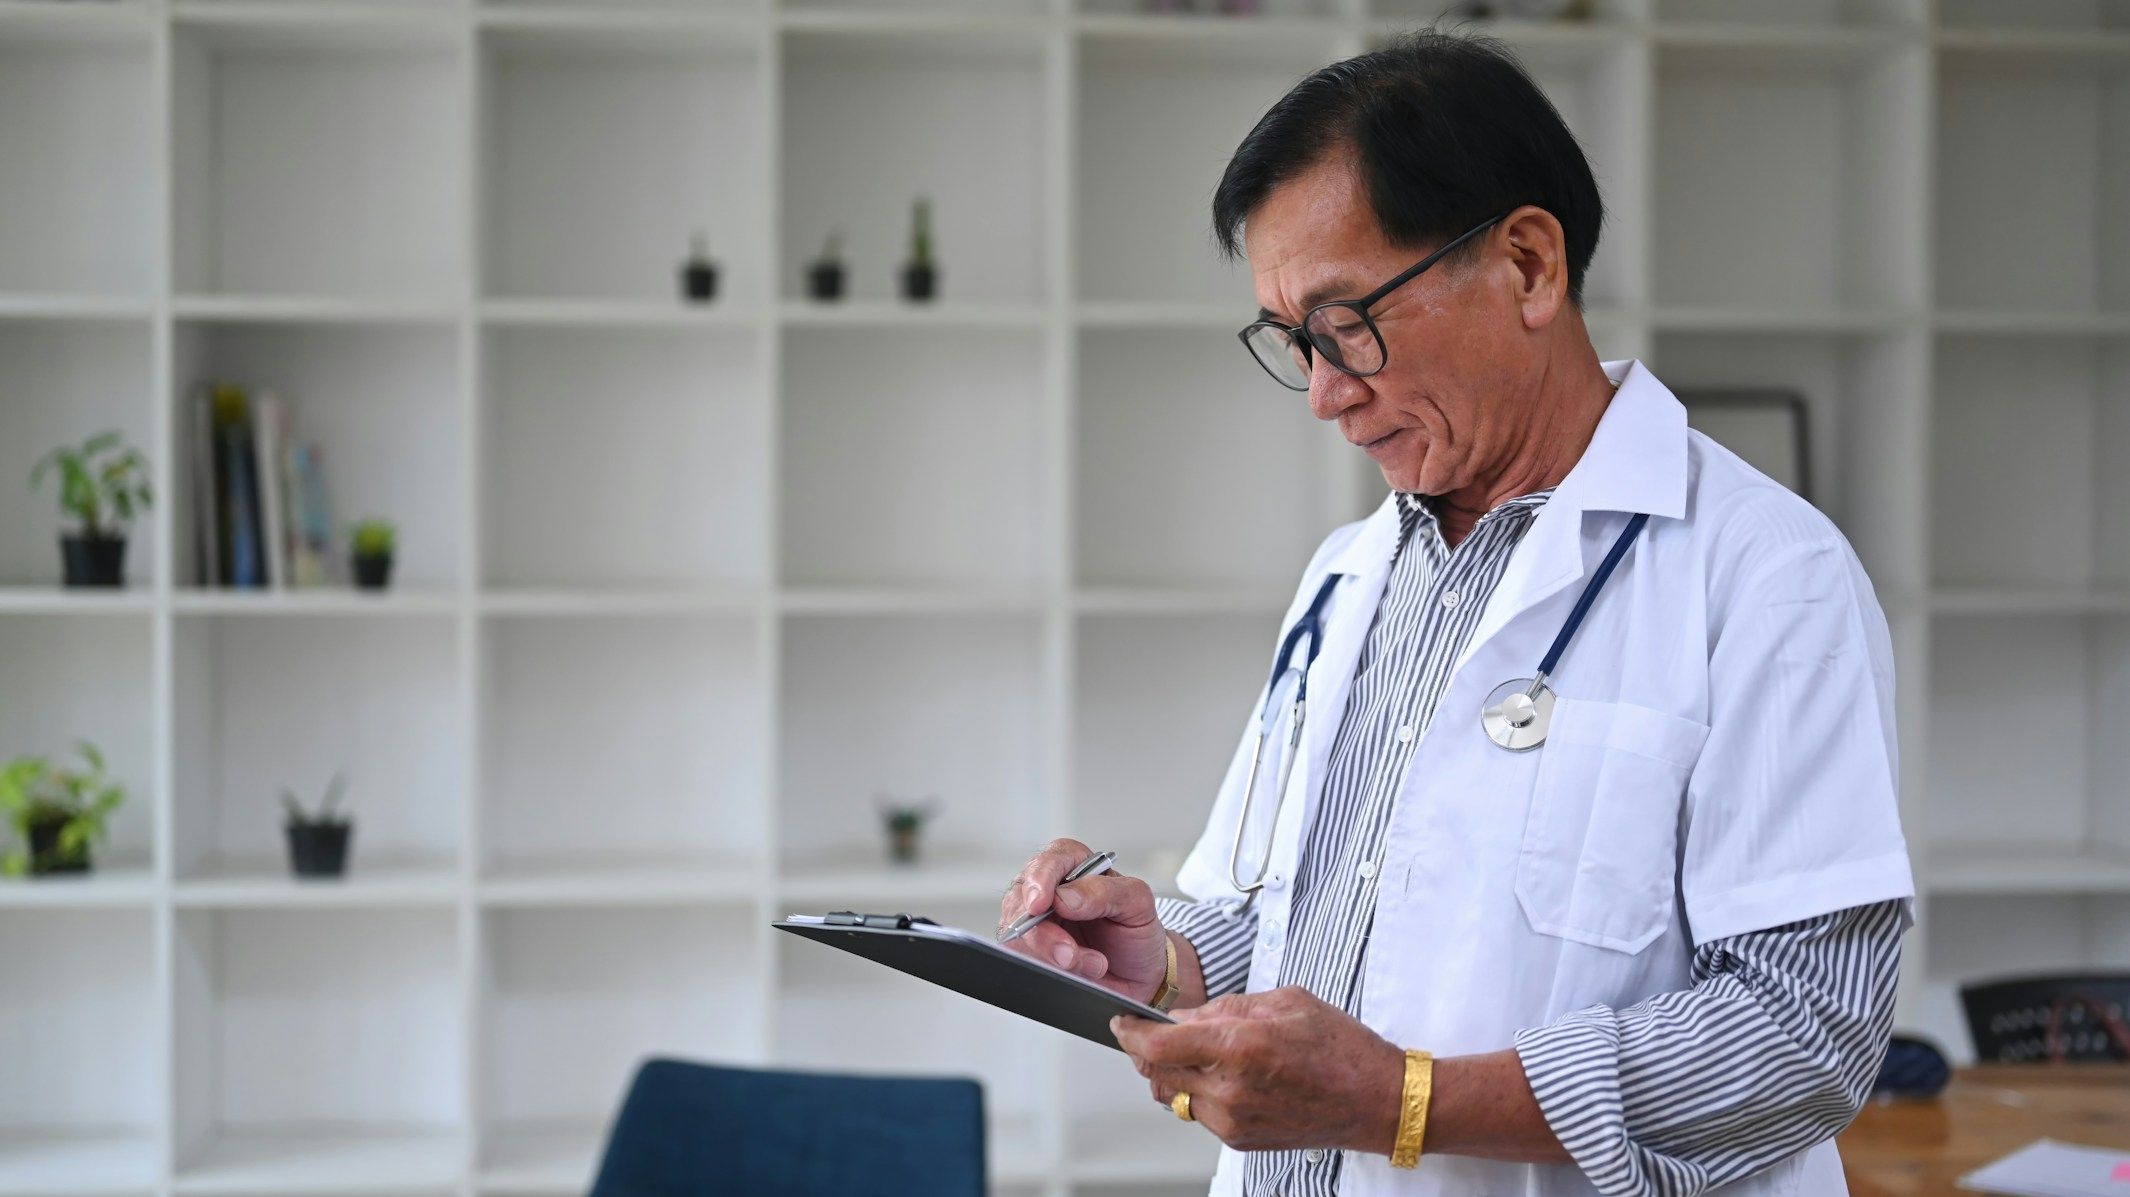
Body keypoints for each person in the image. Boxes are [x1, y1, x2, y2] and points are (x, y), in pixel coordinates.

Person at [998, 29, 1913, 1197]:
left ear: (1528, 265)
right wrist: (1162, 959)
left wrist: (1402, 1103)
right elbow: (1298, 930)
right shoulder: (1349, 572)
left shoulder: (1765, 575)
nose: (1325, 394)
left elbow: (1803, 1036)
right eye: (1294, 343)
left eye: (1346, 323)